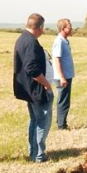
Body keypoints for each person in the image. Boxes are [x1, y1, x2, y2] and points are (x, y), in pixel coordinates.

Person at [13, 14, 54, 162]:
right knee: (42, 121)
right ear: (40, 27)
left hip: (29, 90)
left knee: (35, 120)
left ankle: (33, 152)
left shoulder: (22, 38)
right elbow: (32, 69)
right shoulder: (31, 42)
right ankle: (39, 155)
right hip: (37, 90)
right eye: (43, 28)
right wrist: (46, 84)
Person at [52, 18, 75, 130]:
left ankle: (61, 122)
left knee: (65, 100)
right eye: (69, 27)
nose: (71, 29)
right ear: (62, 29)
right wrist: (62, 77)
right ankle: (62, 125)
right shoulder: (59, 41)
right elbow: (56, 59)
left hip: (66, 75)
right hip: (62, 77)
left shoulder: (65, 41)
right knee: (63, 101)